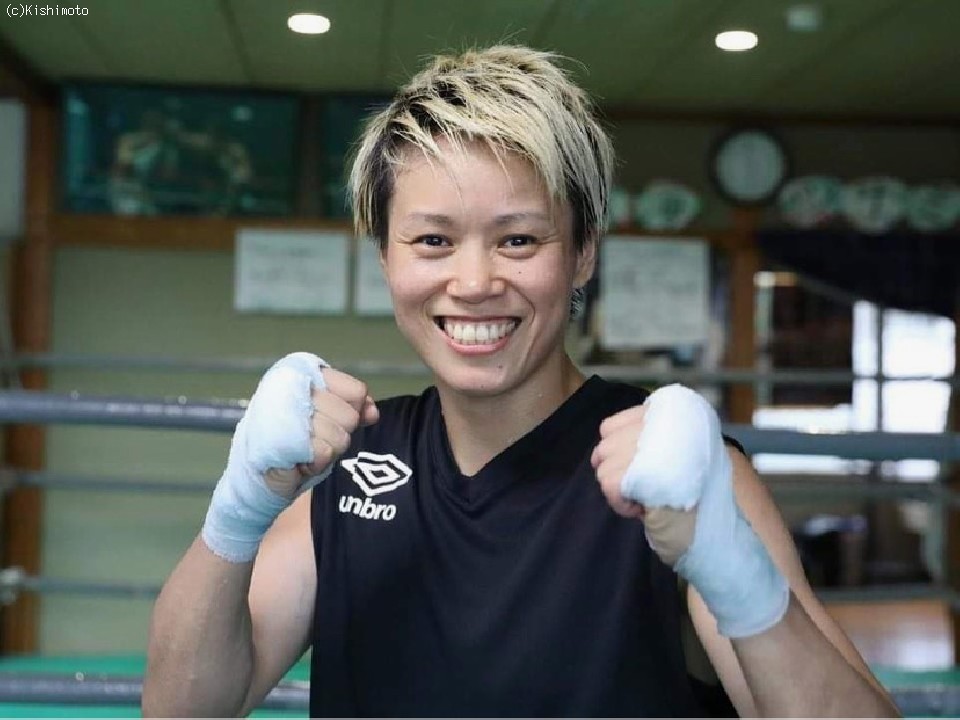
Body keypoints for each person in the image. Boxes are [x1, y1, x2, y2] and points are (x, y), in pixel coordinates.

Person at [143, 46, 900, 717]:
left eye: (518, 240)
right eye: (433, 240)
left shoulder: (677, 472)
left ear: (582, 254)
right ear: (387, 260)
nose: (474, 283)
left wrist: (736, 573)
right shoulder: (355, 465)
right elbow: (180, 711)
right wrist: (239, 504)